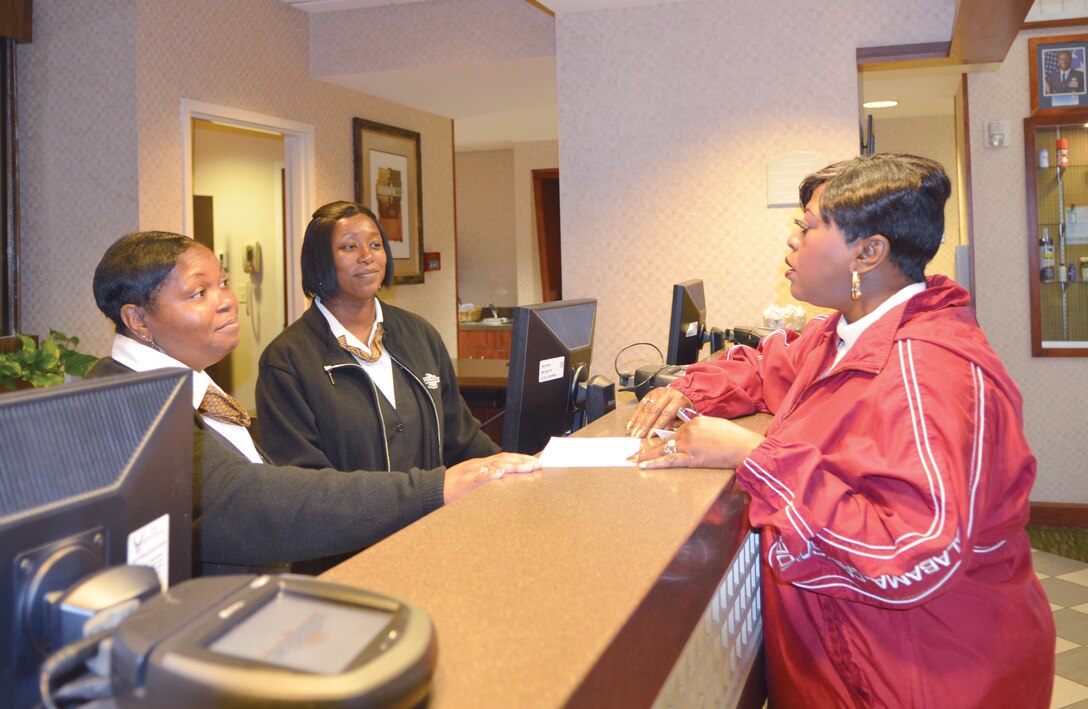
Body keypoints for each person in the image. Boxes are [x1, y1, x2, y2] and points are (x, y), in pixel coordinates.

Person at [627, 154, 1055, 707]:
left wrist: (757, 457)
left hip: (919, 675)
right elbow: (764, 368)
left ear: (868, 252)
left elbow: (917, 555)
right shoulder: (845, 334)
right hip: (852, 659)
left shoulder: (930, 372)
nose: (792, 242)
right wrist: (689, 390)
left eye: (806, 227)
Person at [88, 231, 539, 576]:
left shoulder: (196, 390)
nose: (227, 301)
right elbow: (248, 502)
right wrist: (430, 490)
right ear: (137, 320)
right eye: (199, 293)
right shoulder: (127, 406)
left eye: (223, 283)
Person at [255, 201, 497, 480]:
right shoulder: (286, 360)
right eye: (349, 247)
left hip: (433, 521)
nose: (366, 256)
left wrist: (515, 467)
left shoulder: (421, 335)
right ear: (320, 260)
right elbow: (303, 482)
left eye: (375, 245)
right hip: (352, 524)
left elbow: (462, 439)